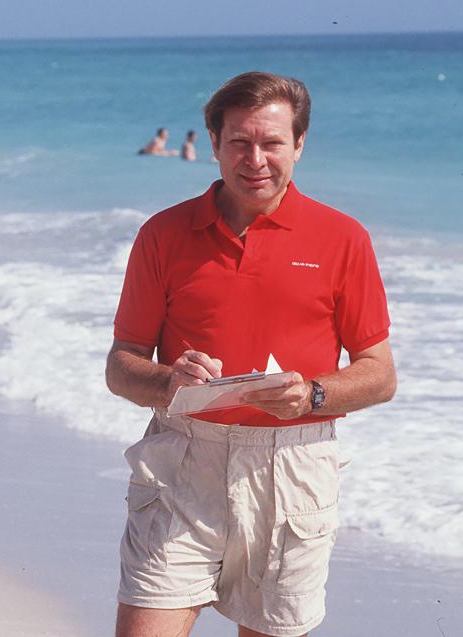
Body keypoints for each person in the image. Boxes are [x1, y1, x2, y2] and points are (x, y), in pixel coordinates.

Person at [106, 71, 397, 637]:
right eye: (239, 142)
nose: (255, 159)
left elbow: (380, 375)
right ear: (213, 144)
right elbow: (121, 365)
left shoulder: (343, 238)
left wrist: (312, 394)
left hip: (293, 467)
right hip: (183, 459)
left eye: (272, 143)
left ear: (300, 145)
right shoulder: (163, 234)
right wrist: (168, 381)